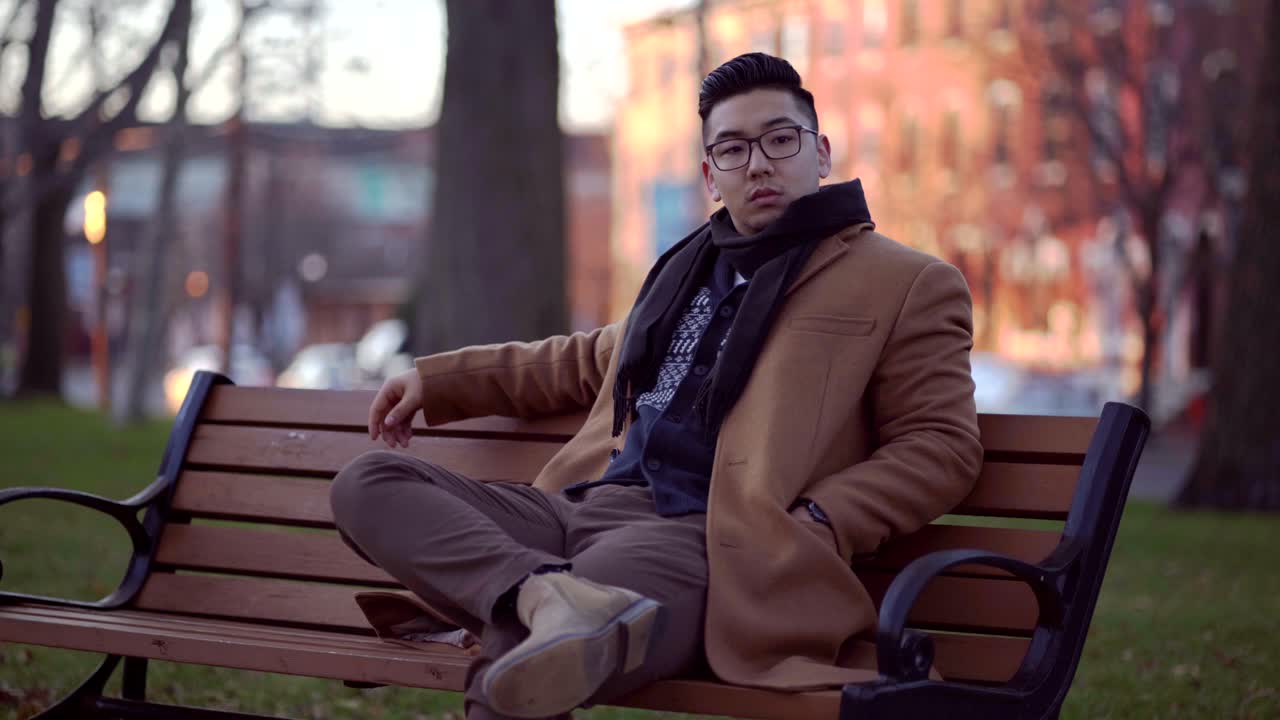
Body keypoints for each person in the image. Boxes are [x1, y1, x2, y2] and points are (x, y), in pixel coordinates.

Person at [330, 52, 982, 720]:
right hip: (576, 511)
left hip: (696, 535)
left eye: (780, 139)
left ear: (820, 152)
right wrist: (435, 383)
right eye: (732, 149)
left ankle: (541, 604)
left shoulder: (904, 283)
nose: (758, 164)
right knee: (369, 483)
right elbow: (583, 360)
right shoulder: (683, 275)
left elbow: (941, 445)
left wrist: (822, 518)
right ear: (709, 175)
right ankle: (541, 594)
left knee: (538, 649)